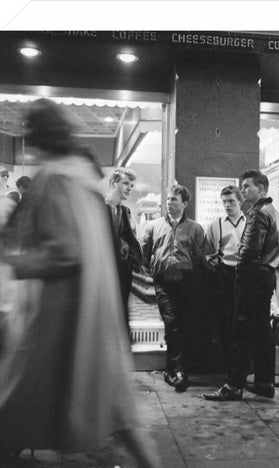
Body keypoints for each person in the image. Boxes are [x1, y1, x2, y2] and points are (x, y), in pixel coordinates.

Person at [0, 98, 159, 467]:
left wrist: (16, 261)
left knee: (29, 398)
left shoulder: (55, 179)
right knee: (119, 411)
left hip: (61, 317)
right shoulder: (82, 179)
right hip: (92, 314)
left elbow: (66, 250)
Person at [204, 169, 279, 401]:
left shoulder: (258, 213)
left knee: (240, 332)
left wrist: (241, 273)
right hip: (266, 276)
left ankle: (233, 386)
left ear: (261, 188)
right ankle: (264, 382)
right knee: (262, 331)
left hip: (251, 278)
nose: (244, 190)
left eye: (247, 186)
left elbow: (249, 250)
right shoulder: (275, 213)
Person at [141, 184, 205, 393]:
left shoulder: (195, 229)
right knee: (171, 323)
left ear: (185, 203)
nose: (169, 203)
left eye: (174, 200)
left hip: (186, 282)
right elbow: (145, 252)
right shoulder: (153, 226)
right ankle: (176, 369)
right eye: (168, 199)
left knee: (184, 323)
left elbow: (198, 257)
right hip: (163, 282)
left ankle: (175, 367)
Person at [203, 185, 246, 369]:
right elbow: (206, 252)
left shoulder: (249, 222)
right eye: (225, 202)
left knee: (242, 321)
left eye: (231, 202)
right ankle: (227, 366)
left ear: (240, 201)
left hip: (244, 275)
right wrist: (212, 263)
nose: (228, 205)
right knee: (224, 321)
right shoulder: (216, 224)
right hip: (224, 275)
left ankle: (241, 366)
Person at [105, 167, 142, 335]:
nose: (129, 188)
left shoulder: (125, 212)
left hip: (122, 272)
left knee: (120, 314)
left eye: (131, 185)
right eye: (126, 183)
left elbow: (129, 238)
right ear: (113, 183)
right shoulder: (99, 208)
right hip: (103, 272)